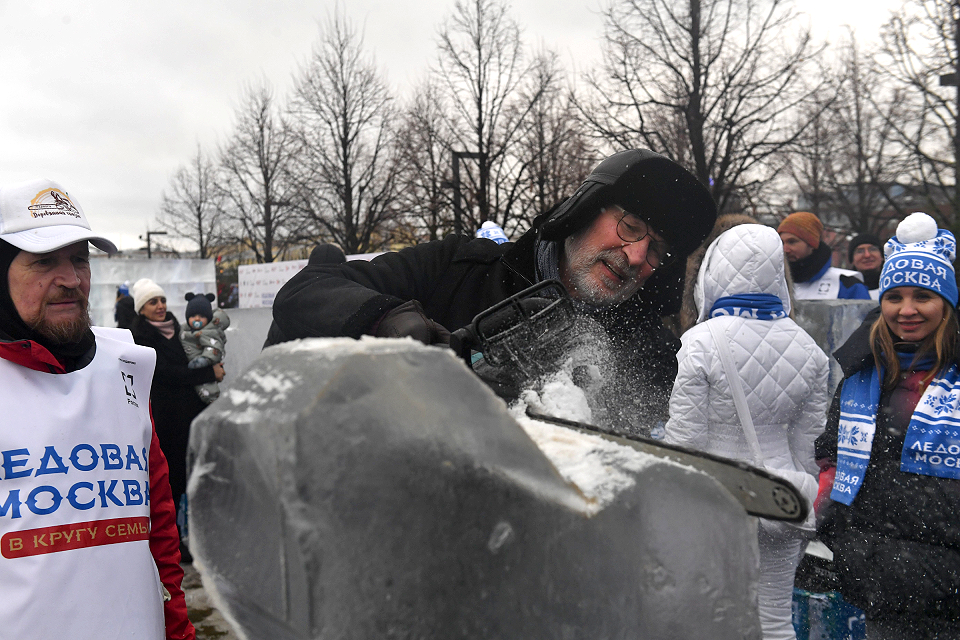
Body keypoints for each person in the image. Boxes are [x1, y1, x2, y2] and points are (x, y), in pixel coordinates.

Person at [268, 148, 718, 428]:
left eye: (657, 250)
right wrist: (389, 319)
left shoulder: (652, 353)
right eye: (631, 226)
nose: (638, 257)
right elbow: (306, 292)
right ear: (583, 211)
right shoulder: (460, 269)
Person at [0, 178, 194, 639]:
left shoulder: (124, 364)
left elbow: (160, 529)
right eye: (44, 261)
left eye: (80, 259)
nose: (70, 278)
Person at [663, 224, 829, 640]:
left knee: (710, 615)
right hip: (784, 495)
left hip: (718, 498)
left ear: (714, 273)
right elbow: (808, 442)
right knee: (774, 618)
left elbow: (685, 442)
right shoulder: (810, 349)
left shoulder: (699, 342)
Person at [815, 212, 960, 638]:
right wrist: (849, 547)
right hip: (887, 592)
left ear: (947, 305)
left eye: (923, 296)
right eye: (895, 296)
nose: (907, 310)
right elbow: (832, 462)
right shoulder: (862, 374)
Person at [129, 278, 224, 560]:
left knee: (193, 474)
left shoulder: (180, 331)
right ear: (141, 309)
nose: (160, 306)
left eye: (161, 300)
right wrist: (210, 374)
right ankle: (173, 541)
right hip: (164, 417)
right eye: (152, 302)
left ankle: (195, 533)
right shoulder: (140, 337)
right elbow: (167, 373)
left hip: (191, 412)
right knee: (171, 481)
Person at [778, 211, 870, 300]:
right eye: (781, 242)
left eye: (792, 242)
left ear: (812, 244)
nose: (785, 249)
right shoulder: (775, 284)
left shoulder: (847, 285)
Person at [180, 292, 229, 404]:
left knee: (208, 388)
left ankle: (212, 399)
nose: (197, 319)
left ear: (208, 318)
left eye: (201, 316)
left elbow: (214, 347)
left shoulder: (210, 331)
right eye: (193, 316)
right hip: (192, 370)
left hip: (204, 364)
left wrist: (205, 359)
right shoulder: (184, 330)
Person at [847, 232, 883, 300]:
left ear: (882, 256)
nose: (867, 255)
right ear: (852, 259)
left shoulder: (895, 283)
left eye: (872, 249)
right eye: (860, 251)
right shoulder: (844, 288)